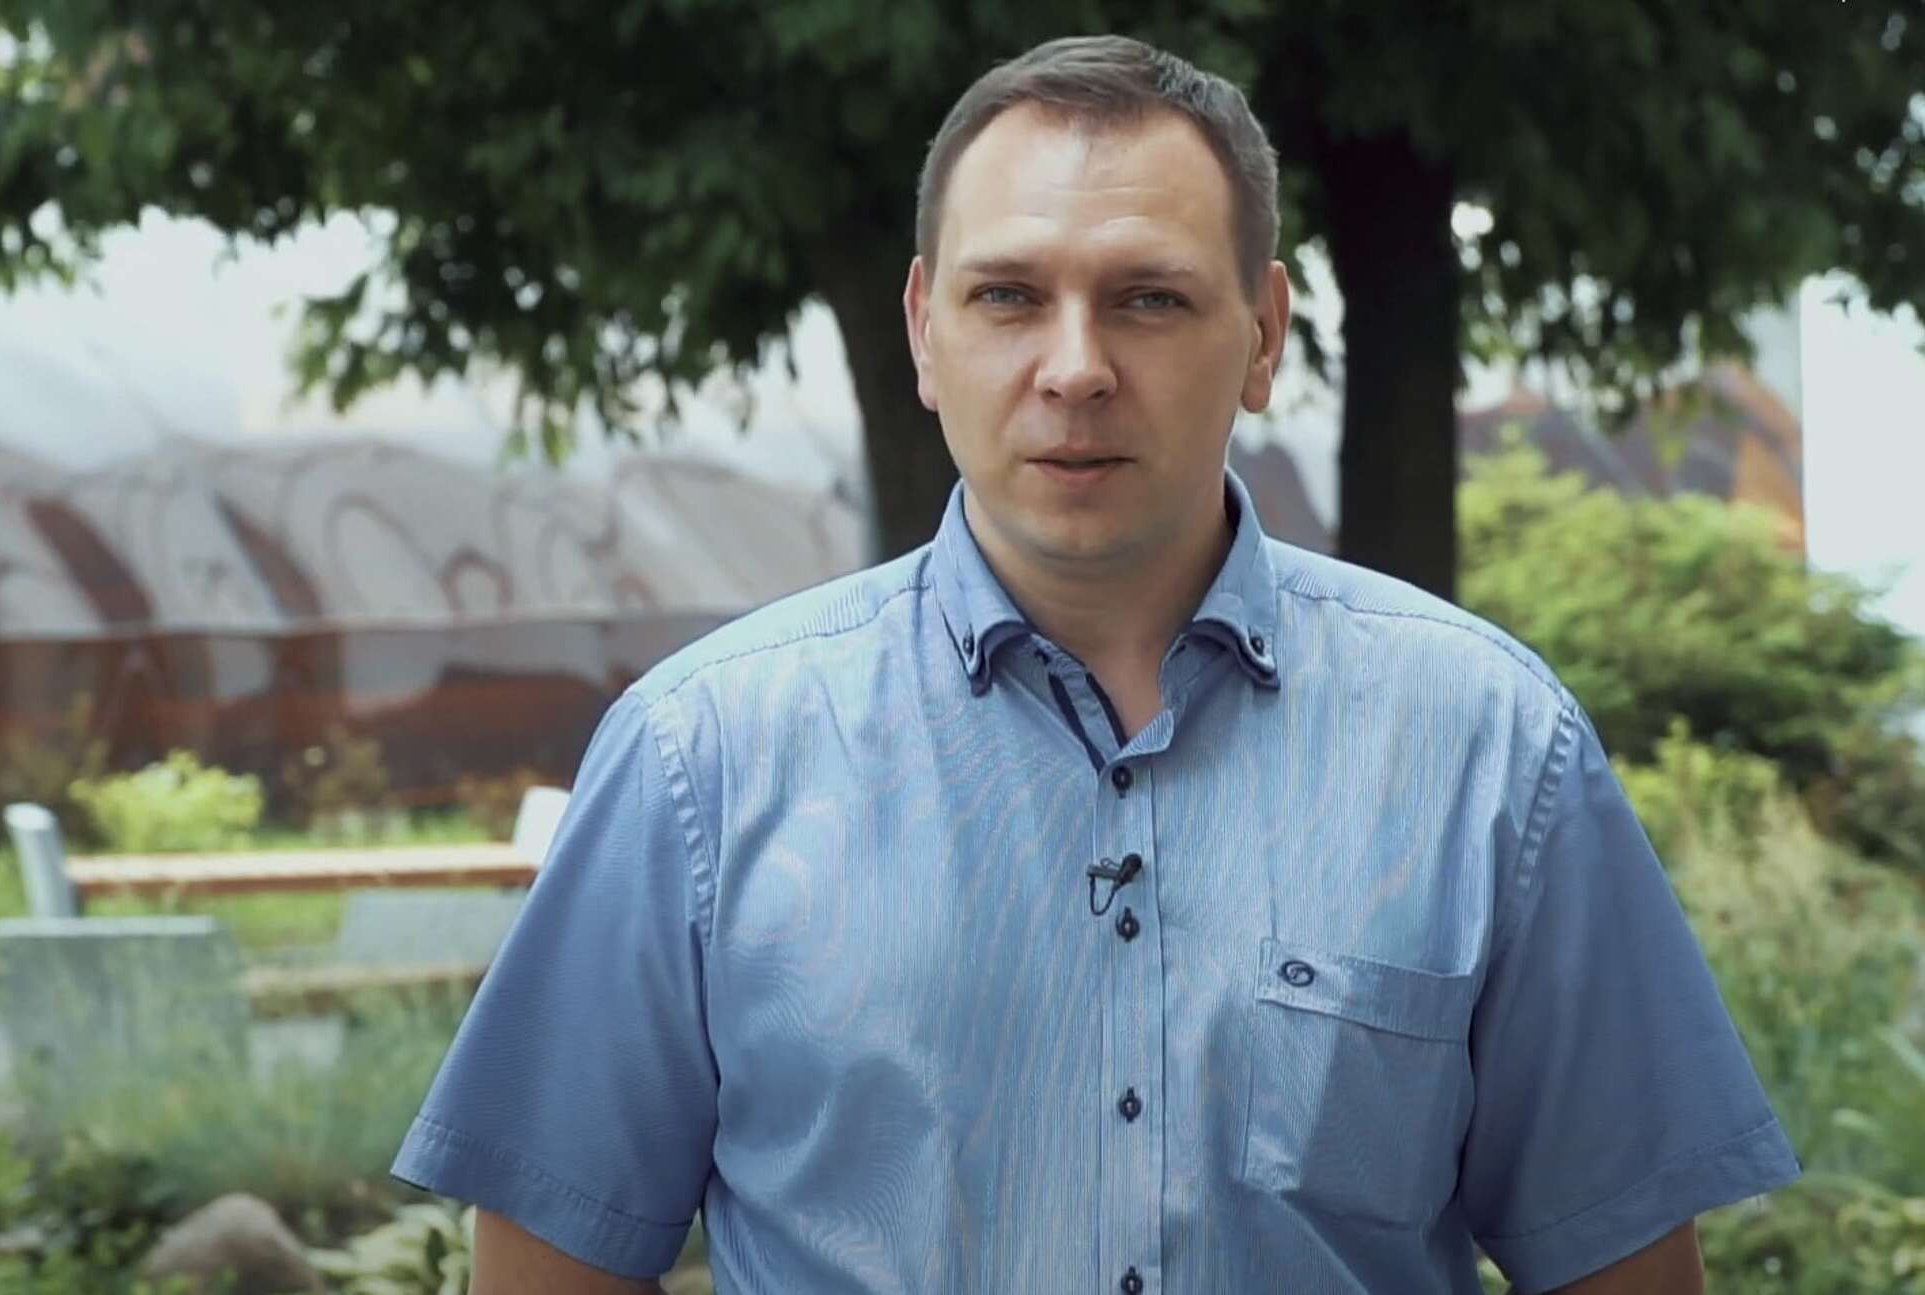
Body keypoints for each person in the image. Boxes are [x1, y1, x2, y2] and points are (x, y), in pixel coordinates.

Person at [392, 34, 1799, 1294]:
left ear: (1264, 335)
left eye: (1148, 299)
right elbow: (547, 1270)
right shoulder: (701, 761)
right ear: (925, 331)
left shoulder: (1489, 747)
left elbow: (1624, 1269)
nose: (1074, 368)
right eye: (1010, 296)